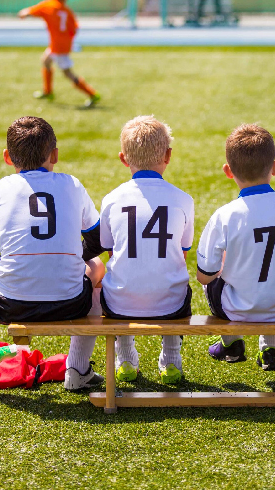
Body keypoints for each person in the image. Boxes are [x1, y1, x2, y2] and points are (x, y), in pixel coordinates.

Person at [0, 116, 105, 390]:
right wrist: (75, 257)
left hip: (9, 303)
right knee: (97, 267)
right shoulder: (72, 184)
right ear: (54, 155)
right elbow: (98, 239)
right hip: (71, 301)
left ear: (7, 157)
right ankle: (77, 369)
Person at [197, 124, 275, 371]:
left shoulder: (224, 215)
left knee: (215, 274)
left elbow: (204, 276)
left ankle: (231, 343)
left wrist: (224, 267)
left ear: (228, 171)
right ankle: (270, 348)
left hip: (238, 310)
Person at [100, 116, 194, 384]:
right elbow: (183, 252)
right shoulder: (183, 199)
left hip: (120, 304)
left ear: (123, 158)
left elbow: (110, 251)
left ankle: (126, 359)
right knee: (175, 277)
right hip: (170, 305)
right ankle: (171, 359)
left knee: (117, 275)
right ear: (168, 155)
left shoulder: (112, 199)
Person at [18, 0, 100, 107]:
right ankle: (48, 91)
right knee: (46, 61)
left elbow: (29, 11)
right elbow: (75, 28)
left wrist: (24, 13)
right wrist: (68, 38)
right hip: (61, 45)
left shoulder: (48, 5)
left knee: (68, 73)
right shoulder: (67, 11)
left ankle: (92, 94)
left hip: (58, 47)